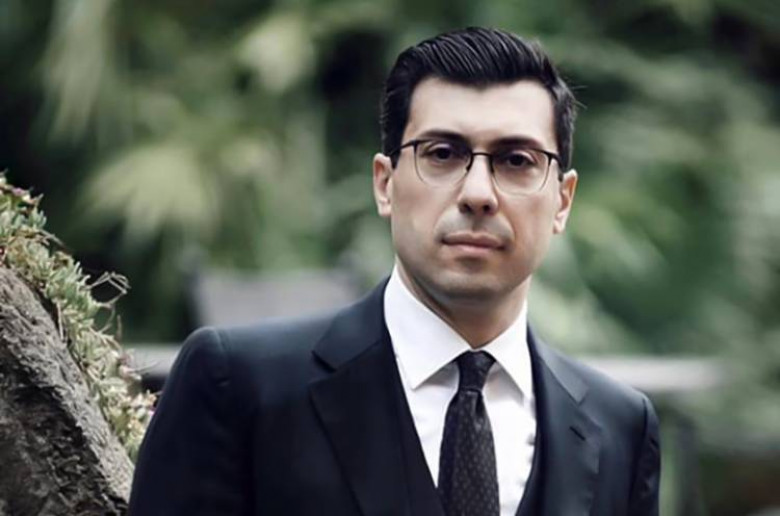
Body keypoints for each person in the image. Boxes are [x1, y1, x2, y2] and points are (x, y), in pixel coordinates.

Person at [129, 27, 661, 516]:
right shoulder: (239, 386)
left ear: (563, 201)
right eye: (443, 153)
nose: (478, 193)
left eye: (516, 160)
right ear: (385, 184)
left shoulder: (621, 428)